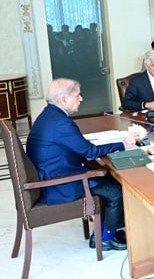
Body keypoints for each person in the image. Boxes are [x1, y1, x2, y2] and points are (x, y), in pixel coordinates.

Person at [27, 78, 138, 250]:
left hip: (55, 173)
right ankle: (106, 238)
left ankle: (103, 232)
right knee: (116, 189)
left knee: (106, 175)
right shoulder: (60, 122)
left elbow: (78, 147)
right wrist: (123, 144)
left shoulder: (49, 115)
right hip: (61, 183)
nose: (81, 99)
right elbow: (90, 152)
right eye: (77, 95)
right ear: (63, 100)